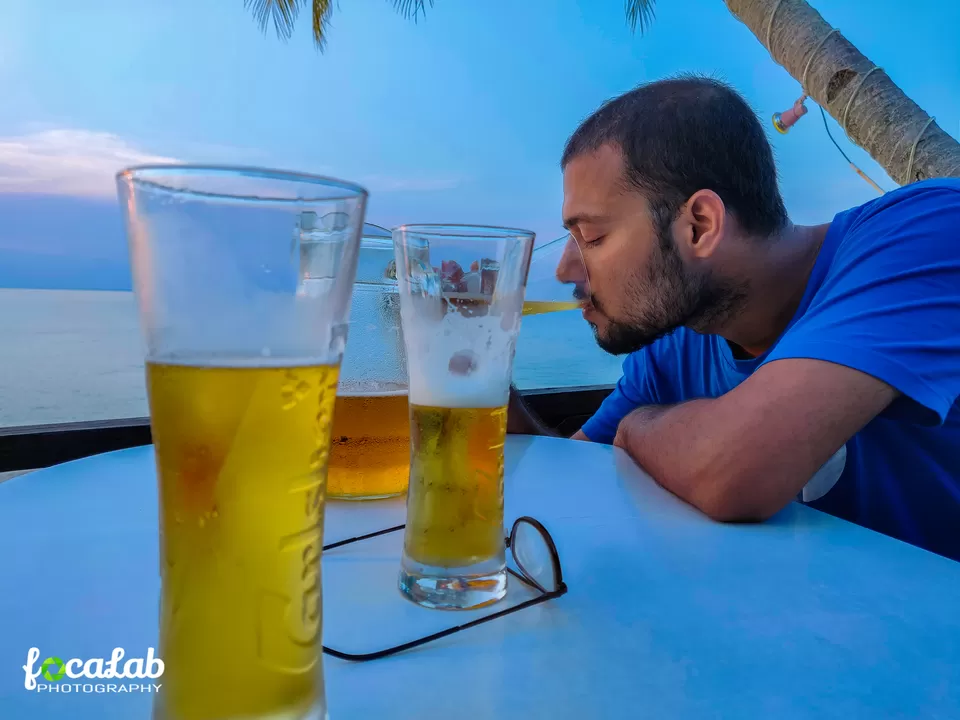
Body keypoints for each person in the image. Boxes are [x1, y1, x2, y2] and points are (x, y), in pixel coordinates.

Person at [507, 75, 960, 563]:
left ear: (700, 225)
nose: (564, 270)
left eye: (591, 238)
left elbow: (738, 473)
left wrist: (637, 427)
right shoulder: (678, 342)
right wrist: (472, 360)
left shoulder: (928, 232)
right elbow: (572, 470)